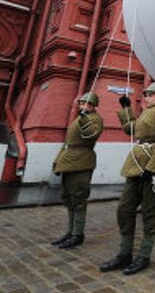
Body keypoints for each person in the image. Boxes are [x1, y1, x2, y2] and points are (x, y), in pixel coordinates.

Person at [99, 82, 155, 275]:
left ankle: (143, 256)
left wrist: (153, 169)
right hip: (136, 166)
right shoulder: (148, 112)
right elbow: (132, 129)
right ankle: (125, 254)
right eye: (145, 94)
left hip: (153, 168)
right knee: (124, 210)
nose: (146, 96)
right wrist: (126, 108)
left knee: (149, 212)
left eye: (151, 94)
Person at [51, 92, 104, 249]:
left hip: (81, 163)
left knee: (78, 199)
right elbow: (67, 143)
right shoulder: (79, 118)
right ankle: (70, 232)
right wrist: (57, 161)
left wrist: (83, 118)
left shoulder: (95, 119)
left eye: (86, 103)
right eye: (81, 103)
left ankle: (77, 234)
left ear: (93, 105)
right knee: (69, 199)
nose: (83, 106)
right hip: (68, 161)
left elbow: (90, 134)